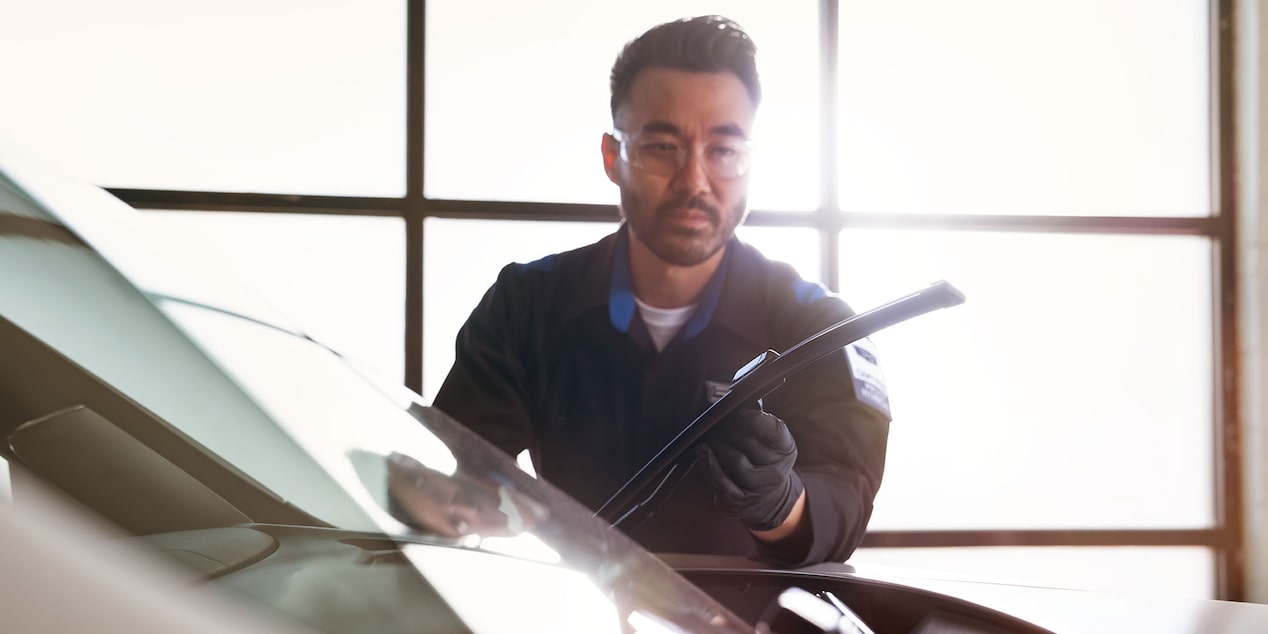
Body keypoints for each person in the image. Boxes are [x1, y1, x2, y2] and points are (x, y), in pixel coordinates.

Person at [433, 14, 890, 566]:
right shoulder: (524, 306)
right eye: (662, 146)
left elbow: (846, 496)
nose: (694, 181)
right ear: (612, 157)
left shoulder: (818, 325)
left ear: (750, 162)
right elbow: (456, 478)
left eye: (723, 150)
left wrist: (780, 502)